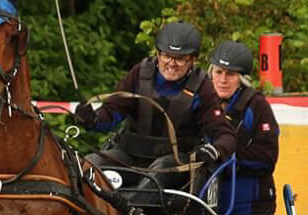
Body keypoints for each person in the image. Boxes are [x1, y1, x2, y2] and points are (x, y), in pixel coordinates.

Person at [73, 22, 236, 186]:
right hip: (129, 157)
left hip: (173, 164)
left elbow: (225, 135)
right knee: (90, 163)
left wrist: (215, 150)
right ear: (158, 54)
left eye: (180, 59)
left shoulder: (202, 87)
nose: (172, 63)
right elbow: (112, 112)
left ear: (193, 60)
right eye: (166, 56)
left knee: (159, 172)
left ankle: (132, 203)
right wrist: (92, 119)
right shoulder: (140, 73)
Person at [208, 40, 280, 215]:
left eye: (230, 74)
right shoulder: (202, 102)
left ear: (241, 79)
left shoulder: (257, 106)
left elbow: (268, 158)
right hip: (209, 208)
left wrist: (224, 153)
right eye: (218, 72)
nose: (223, 80)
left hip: (250, 210)